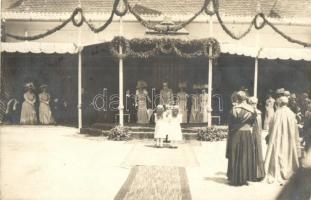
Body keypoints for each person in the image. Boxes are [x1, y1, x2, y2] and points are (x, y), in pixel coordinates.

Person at [264, 96, 301, 185]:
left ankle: (278, 170)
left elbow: (271, 125)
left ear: (280, 103)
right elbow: (295, 127)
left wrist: (271, 134)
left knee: (278, 152)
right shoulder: (291, 113)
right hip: (288, 138)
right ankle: (287, 169)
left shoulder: (277, 113)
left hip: (278, 137)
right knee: (287, 151)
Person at [226, 91, 258, 186]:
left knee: (235, 154)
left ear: (238, 99)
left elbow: (230, 124)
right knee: (245, 154)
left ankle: (234, 178)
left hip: (235, 134)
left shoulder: (233, 109)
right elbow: (253, 122)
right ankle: (244, 178)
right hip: (246, 134)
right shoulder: (251, 110)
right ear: (245, 98)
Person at [248, 97, 265, 181]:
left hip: (253, 134)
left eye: (253, 103)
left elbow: (257, 126)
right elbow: (259, 127)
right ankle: (257, 173)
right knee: (257, 151)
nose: (253, 105)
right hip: (256, 134)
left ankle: (253, 173)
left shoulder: (254, 113)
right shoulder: (258, 113)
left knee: (252, 151)